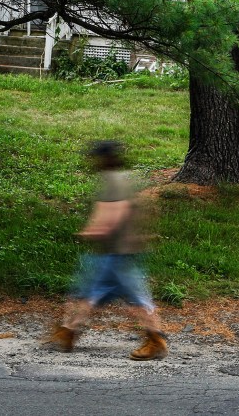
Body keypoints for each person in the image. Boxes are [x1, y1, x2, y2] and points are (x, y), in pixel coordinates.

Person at [45, 140, 168, 360]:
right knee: (90, 293)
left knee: (136, 300)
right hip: (113, 251)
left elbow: (115, 211)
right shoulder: (121, 178)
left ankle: (156, 342)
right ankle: (68, 332)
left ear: (104, 159)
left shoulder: (113, 180)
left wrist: (94, 231)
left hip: (118, 253)